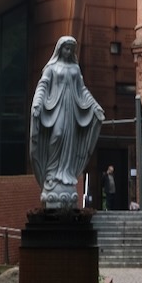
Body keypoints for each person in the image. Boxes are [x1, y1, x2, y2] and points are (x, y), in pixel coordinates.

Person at [29, 36, 104, 209]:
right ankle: (52, 173)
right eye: (66, 48)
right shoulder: (51, 68)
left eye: (71, 49)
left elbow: (82, 90)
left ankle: (65, 175)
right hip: (56, 108)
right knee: (57, 134)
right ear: (59, 49)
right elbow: (42, 86)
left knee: (70, 141)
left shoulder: (75, 68)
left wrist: (95, 106)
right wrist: (37, 103)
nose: (68, 52)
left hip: (72, 109)